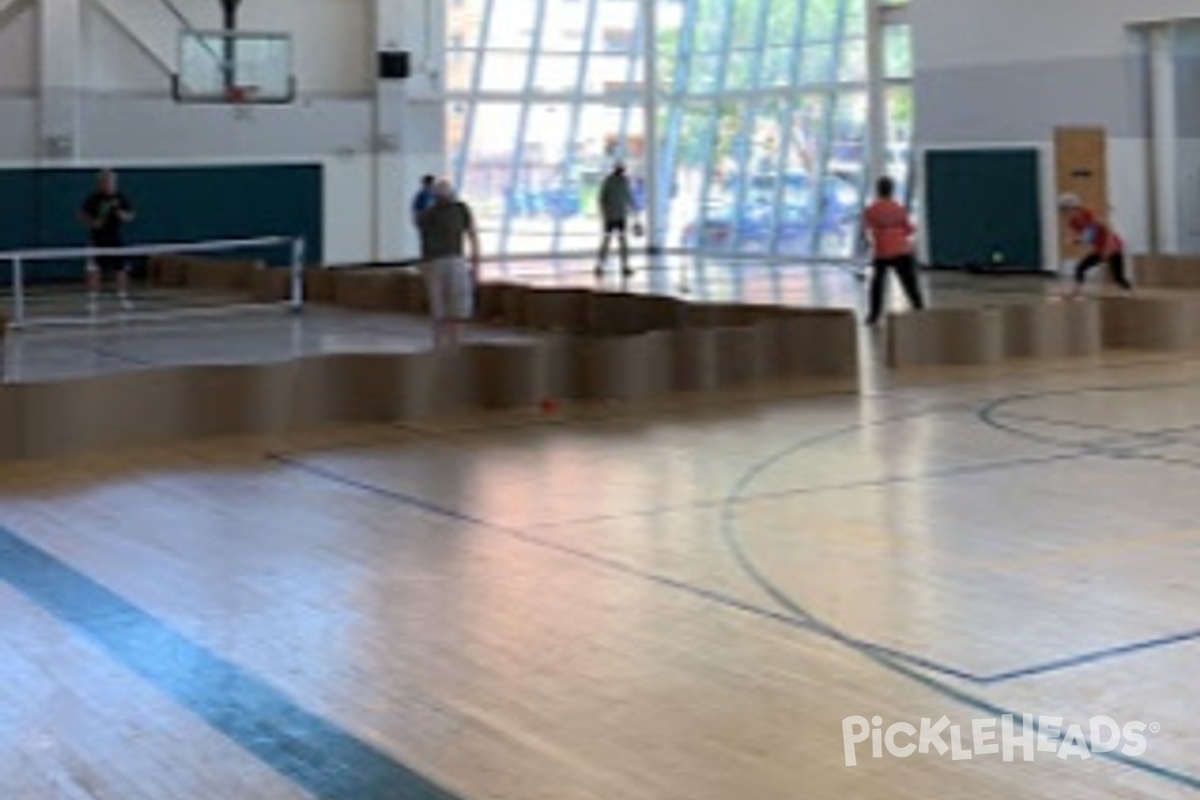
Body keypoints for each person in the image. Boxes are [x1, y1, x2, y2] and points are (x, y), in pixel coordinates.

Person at [416, 179, 481, 350]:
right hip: (449, 260)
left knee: (442, 306)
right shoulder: (458, 210)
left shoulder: (429, 214)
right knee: (454, 305)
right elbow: (472, 234)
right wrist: (476, 261)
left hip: (437, 261)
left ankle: (443, 343)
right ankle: (452, 343)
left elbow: (422, 236)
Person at [863, 175, 924, 325]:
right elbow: (908, 229)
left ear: (878, 190)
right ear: (892, 190)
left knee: (877, 285)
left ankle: (873, 315)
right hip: (901, 250)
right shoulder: (899, 208)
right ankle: (919, 308)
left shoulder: (872, 209)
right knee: (909, 282)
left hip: (882, 251)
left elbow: (867, 227)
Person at [79, 168, 136, 311]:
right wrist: (92, 222)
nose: (107, 184)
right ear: (99, 183)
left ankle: (122, 297)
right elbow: (82, 215)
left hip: (115, 238)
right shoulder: (93, 198)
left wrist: (121, 214)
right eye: (104, 181)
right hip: (97, 239)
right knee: (93, 268)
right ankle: (92, 299)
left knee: (121, 268)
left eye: (110, 181)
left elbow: (130, 216)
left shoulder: (120, 197)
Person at [1057, 193, 1133, 294]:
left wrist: (1108, 248)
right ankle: (1076, 289)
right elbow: (1085, 238)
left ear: (1075, 208)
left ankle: (1129, 292)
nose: (1066, 214)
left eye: (1067, 210)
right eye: (1064, 212)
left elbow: (1108, 230)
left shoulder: (1089, 214)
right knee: (1080, 267)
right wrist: (1075, 240)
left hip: (1113, 247)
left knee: (1118, 277)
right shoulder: (1073, 223)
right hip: (1099, 249)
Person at [595, 162, 637, 278]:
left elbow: (628, 197)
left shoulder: (620, 181)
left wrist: (634, 211)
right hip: (614, 217)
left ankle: (622, 266)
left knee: (618, 241)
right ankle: (601, 265)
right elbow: (602, 199)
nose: (621, 171)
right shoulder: (611, 181)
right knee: (612, 241)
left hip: (618, 216)